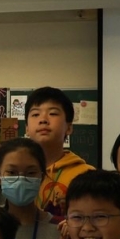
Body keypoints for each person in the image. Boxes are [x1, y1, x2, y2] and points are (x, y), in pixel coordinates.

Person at [24, 87, 95, 220]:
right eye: (35, 114)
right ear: (27, 128)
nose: (43, 120)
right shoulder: (17, 173)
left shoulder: (87, 175)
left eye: (53, 113)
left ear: (69, 127)